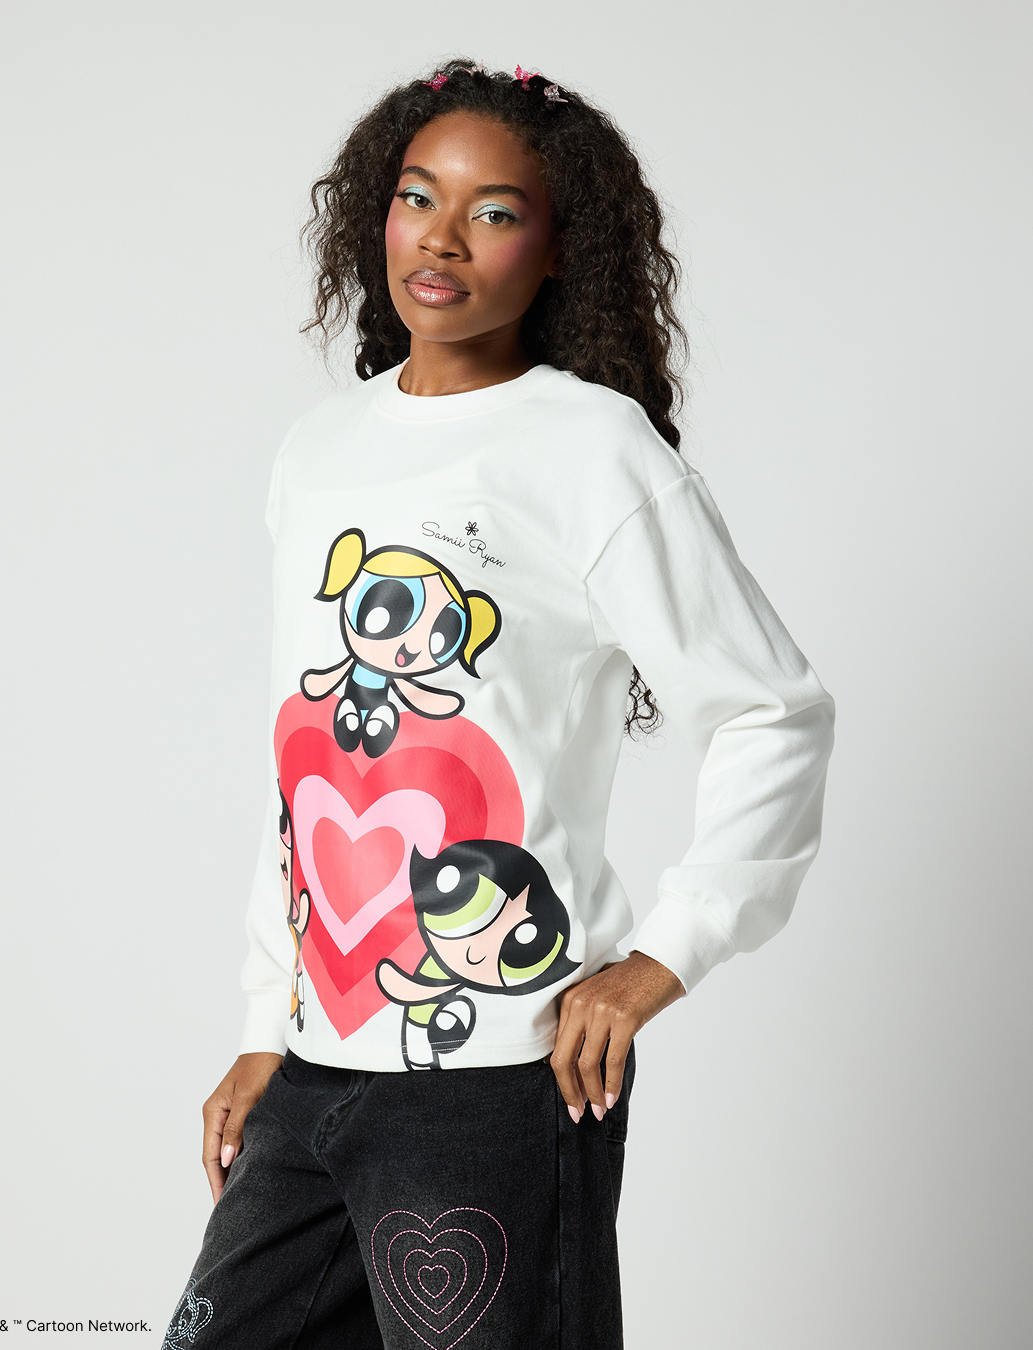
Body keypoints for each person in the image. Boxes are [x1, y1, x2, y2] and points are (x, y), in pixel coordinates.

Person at [162, 59, 835, 1350]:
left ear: (560, 245)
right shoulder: (319, 451)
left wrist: (663, 956)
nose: (443, 239)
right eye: (419, 198)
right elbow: (309, 767)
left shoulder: (592, 449)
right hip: (316, 1063)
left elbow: (773, 710)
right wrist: (265, 1023)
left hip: (500, 1081)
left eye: (495, 212)